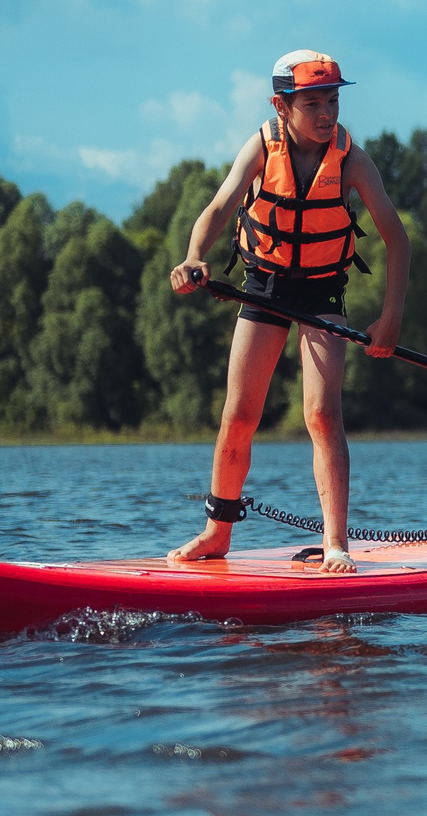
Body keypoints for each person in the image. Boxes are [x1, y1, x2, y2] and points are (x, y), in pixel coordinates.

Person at [167, 51, 410, 572]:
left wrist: (390, 319)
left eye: (333, 101)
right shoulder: (260, 146)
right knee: (240, 413)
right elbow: (217, 209)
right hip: (265, 286)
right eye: (313, 103)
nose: (327, 114)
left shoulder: (353, 160)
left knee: (322, 415)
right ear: (282, 106)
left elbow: (397, 239)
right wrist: (193, 258)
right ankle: (217, 532)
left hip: (323, 291)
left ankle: (336, 544)